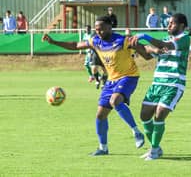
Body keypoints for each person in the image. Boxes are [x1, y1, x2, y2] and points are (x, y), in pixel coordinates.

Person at [42, 16, 145, 156]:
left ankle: (136, 132)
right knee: (100, 115)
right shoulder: (95, 40)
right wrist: (54, 42)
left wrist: (154, 49)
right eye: (96, 29)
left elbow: (145, 50)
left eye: (101, 29)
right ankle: (103, 148)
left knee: (115, 101)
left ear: (110, 27)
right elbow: (75, 45)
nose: (98, 31)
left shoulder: (122, 41)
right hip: (111, 80)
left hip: (128, 76)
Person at [128, 13, 190, 160]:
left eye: (172, 23)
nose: (168, 26)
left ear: (181, 26)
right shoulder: (164, 40)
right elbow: (148, 56)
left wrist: (145, 36)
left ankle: (154, 150)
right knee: (144, 116)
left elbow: (166, 46)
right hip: (157, 84)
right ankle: (156, 147)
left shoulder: (184, 39)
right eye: (168, 23)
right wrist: (136, 46)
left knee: (160, 114)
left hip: (174, 83)